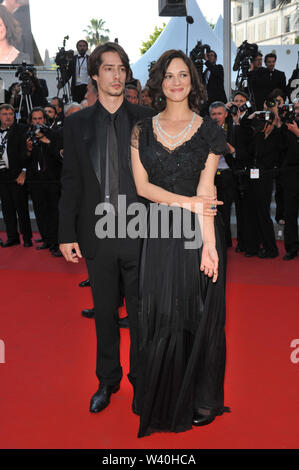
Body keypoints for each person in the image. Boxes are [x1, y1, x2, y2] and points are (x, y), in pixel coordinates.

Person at [130, 49, 228, 437]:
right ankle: (162, 396)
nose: (176, 82)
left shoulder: (209, 131)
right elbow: (142, 187)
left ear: (192, 81)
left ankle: (196, 397)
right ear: (159, 82)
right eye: (168, 75)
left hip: (194, 235)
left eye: (183, 75)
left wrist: (210, 246)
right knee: (159, 315)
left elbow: (207, 188)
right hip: (157, 232)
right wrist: (187, 203)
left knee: (195, 315)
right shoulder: (141, 130)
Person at [58, 42, 155, 415]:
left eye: (121, 69)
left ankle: (142, 381)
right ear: (94, 75)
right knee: (104, 313)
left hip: (142, 233)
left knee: (142, 314)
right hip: (97, 235)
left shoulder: (146, 118)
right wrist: (66, 233)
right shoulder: (76, 122)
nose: (117, 76)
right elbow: (71, 181)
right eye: (108, 69)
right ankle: (107, 379)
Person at [25, 107, 62, 257]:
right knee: (40, 211)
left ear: (45, 120)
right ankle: (46, 239)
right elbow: (22, 159)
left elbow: (59, 156)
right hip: (35, 180)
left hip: (52, 180)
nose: (37, 122)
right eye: (34, 119)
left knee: (54, 211)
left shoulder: (53, 134)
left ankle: (56, 242)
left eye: (40, 118)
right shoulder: (27, 135)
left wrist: (46, 141)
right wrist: (28, 150)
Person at [0, 103, 32, 247]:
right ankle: (12, 237)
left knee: (22, 208)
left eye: (10, 114)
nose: (8, 117)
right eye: (5, 114)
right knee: (7, 208)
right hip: (2, 175)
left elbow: (28, 153)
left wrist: (24, 171)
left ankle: (26, 238)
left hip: (18, 174)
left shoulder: (22, 129)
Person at [209, 101, 237, 248]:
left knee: (225, 211)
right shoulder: (205, 131)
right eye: (213, 114)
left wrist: (222, 140)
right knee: (213, 211)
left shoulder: (231, 129)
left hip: (227, 175)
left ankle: (225, 242)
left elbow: (234, 151)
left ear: (226, 114)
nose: (216, 117)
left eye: (219, 113)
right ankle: (215, 240)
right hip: (211, 177)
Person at [280, 100, 299, 260]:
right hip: (291, 174)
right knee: (290, 214)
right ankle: (291, 248)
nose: (297, 111)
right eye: (296, 108)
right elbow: (279, 147)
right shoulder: (287, 125)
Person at [60, 40, 89, 104]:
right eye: (80, 46)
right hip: (76, 88)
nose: (82, 48)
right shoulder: (72, 59)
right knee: (76, 106)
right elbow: (69, 73)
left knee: (87, 106)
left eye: (84, 46)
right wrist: (62, 83)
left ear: (87, 48)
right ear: (77, 48)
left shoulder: (90, 59)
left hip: (87, 87)